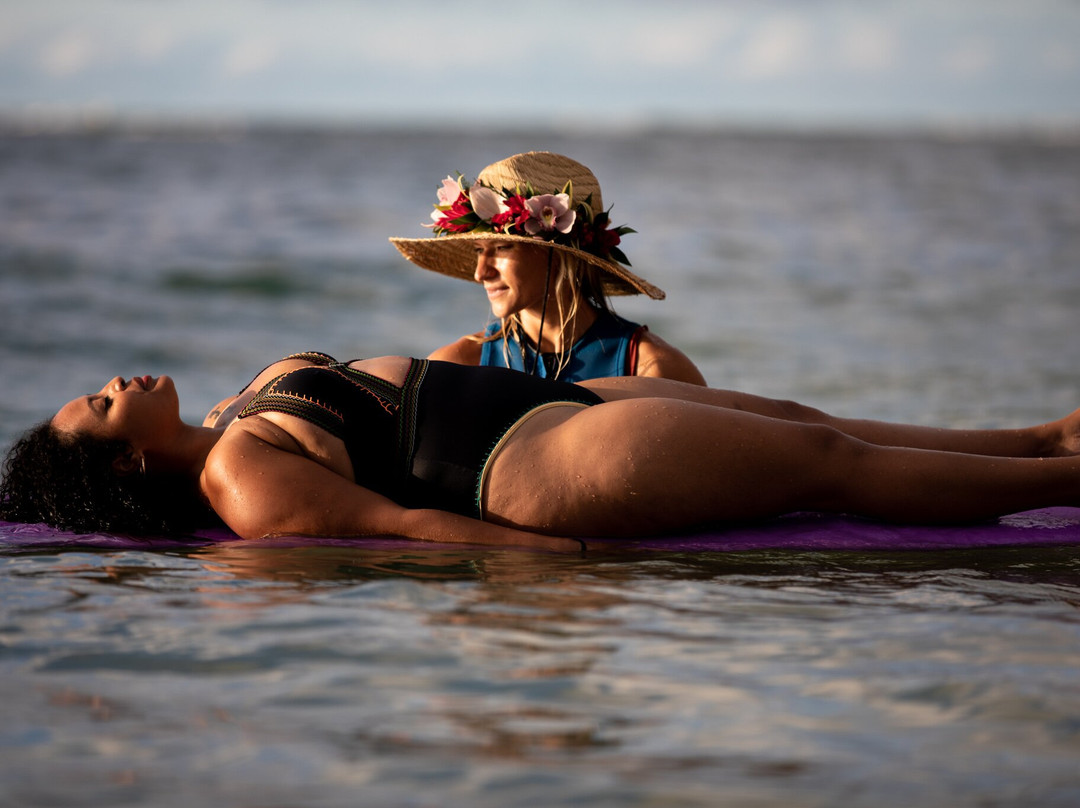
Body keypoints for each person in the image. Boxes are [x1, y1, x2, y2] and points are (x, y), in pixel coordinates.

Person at [2, 352, 1079, 552]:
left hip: (541, 404)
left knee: (803, 417)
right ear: (126, 465)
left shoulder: (230, 412)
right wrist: (552, 559)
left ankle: (1045, 438)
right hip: (533, 462)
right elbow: (399, 525)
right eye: (102, 404)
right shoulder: (236, 477)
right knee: (825, 460)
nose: (117, 380)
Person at [390, 151, 706, 385]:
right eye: (478, 250)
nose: (480, 272)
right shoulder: (457, 366)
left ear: (557, 254)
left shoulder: (652, 369)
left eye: (502, 247)